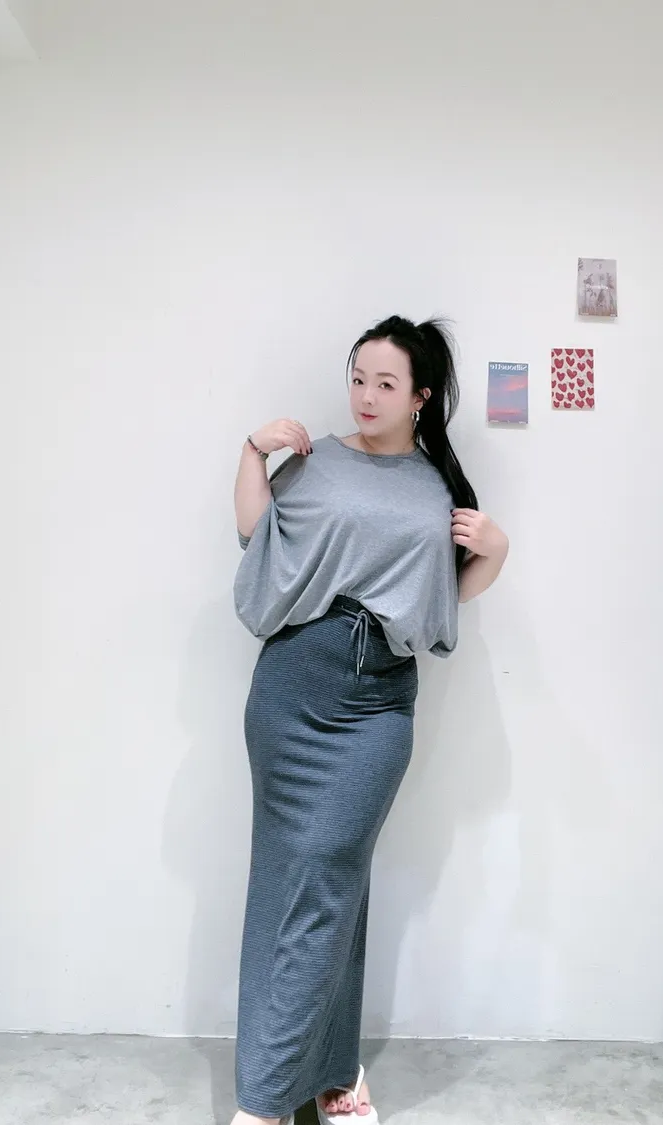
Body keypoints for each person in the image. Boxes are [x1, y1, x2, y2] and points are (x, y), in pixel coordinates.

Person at [230, 315, 509, 1125]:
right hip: (292, 686)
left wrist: (495, 550)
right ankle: (332, 1071)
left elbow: (443, 593)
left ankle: (265, 1100)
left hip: (377, 702)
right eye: (359, 378)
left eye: (386, 383)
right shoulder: (316, 461)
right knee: (299, 879)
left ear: (420, 396)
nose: (366, 395)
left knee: (326, 868)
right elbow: (254, 535)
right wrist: (252, 453)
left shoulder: (436, 488)